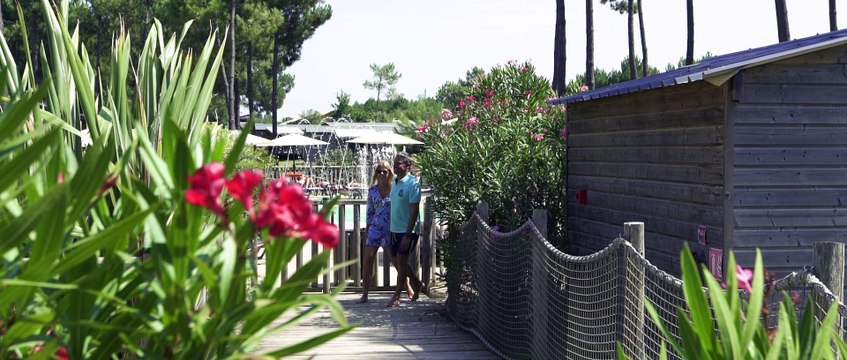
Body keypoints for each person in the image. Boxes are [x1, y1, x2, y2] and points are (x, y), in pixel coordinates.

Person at [358, 162, 411, 303]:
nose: (382, 174)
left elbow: (401, 208)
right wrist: (368, 230)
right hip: (375, 227)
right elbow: (370, 212)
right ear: (376, 173)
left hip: (391, 228)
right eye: (379, 171)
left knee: (395, 260)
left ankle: (408, 288)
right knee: (368, 259)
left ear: (389, 173)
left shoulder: (394, 189)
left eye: (385, 171)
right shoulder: (372, 191)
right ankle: (364, 295)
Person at [387, 153, 425, 307]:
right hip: (394, 228)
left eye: (399, 163)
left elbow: (414, 211)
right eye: (395, 163)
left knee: (402, 262)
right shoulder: (395, 182)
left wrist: (408, 235)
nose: (395, 165)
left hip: (407, 230)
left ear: (408, 166)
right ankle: (417, 283)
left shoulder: (413, 184)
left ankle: (397, 296)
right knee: (396, 260)